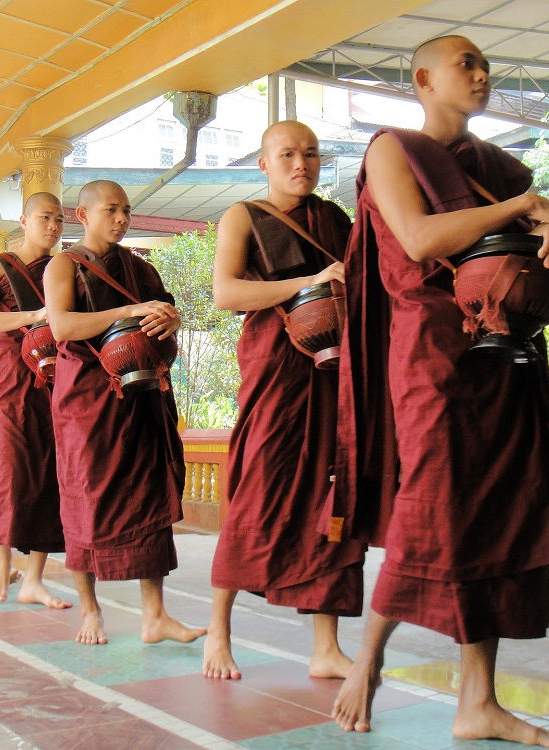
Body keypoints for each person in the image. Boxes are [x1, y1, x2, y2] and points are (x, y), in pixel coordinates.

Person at [329, 36, 549, 748]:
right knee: (433, 504)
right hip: (433, 356)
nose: (480, 74)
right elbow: (415, 239)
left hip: (506, 351)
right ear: (422, 79)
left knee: (500, 513)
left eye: (485, 66)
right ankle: (368, 661)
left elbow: (531, 237)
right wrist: (526, 207)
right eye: (465, 63)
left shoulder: (497, 167)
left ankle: (479, 702)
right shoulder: (394, 149)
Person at [204, 121, 365, 681]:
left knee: (332, 496)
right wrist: (305, 285)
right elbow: (226, 292)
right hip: (275, 370)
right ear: (264, 164)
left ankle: (326, 647)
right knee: (257, 491)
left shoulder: (333, 220)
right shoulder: (242, 217)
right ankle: (219, 634)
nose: (302, 164)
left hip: (334, 373)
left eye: (312, 154)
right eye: (288, 155)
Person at [44, 180, 205, 646]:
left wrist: (169, 319)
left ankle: (154, 616)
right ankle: (90, 609)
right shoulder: (63, 265)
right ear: (83, 215)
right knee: (84, 495)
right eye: (111, 210)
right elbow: (63, 325)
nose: (121, 219)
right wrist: (130, 311)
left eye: (127, 211)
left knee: (148, 502)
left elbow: (164, 313)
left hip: (141, 398)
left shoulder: (140, 268)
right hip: (87, 403)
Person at [0, 192, 70, 609]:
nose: (52, 226)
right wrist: (32, 317)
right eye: (44, 217)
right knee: (11, 461)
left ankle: (34, 578)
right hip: (12, 371)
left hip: (57, 372)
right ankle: (0, 556)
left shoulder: (64, 267)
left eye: (59, 220)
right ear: (24, 220)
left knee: (51, 465)